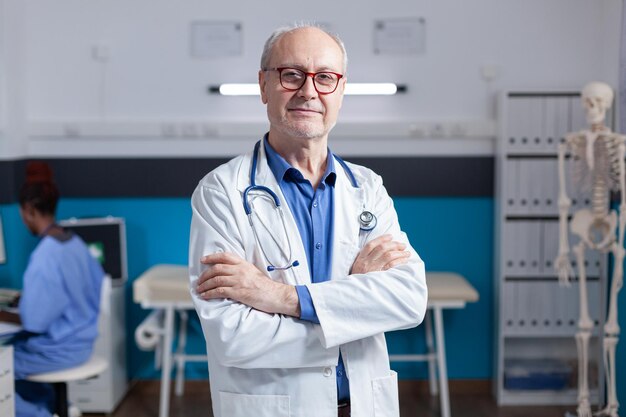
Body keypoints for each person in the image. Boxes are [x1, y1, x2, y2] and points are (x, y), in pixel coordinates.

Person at [189, 23, 428, 417]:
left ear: (341, 91)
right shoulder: (221, 192)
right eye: (292, 74)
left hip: (364, 405)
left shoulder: (367, 188)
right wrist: (354, 310)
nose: (309, 91)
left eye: (325, 78)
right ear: (264, 86)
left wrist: (280, 297)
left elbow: (408, 299)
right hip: (276, 406)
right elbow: (231, 335)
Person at [0, 162, 105, 417]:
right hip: (82, 342)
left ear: (28, 210)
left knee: (4, 364)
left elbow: (34, 321)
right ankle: (52, 407)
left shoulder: (45, 255)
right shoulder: (73, 242)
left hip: (58, 349)